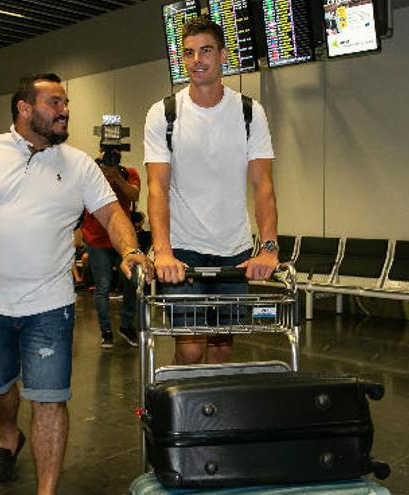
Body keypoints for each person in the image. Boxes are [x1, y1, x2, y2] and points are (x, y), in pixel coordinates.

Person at [0, 73, 152, 493]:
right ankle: (9, 435)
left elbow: (113, 214)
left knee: (49, 399)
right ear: (25, 109)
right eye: (55, 103)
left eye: (66, 104)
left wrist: (131, 251)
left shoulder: (80, 164)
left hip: (50, 303)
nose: (65, 111)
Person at [144, 16, 280, 365]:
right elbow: (157, 189)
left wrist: (268, 248)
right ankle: (182, 419)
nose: (196, 60)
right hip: (183, 250)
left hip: (234, 250)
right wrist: (162, 251)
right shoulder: (164, 114)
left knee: (222, 346)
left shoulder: (251, 112)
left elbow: (263, 185)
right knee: (190, 347)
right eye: (188, 53)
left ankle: (214, 420)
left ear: (222, 55)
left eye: (205, 51)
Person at [80, 149, 141, 349]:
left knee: (132, 282)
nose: (111, 157)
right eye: (107, 152)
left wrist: (116, 175)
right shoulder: (92, 171)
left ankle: (126, 326)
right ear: (100, 152)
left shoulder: (128, 173)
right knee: (102, 287)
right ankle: (106, 331)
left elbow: (133, 194)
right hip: (97, 240)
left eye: (115, 152)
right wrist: (102, 172)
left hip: (122, 241)